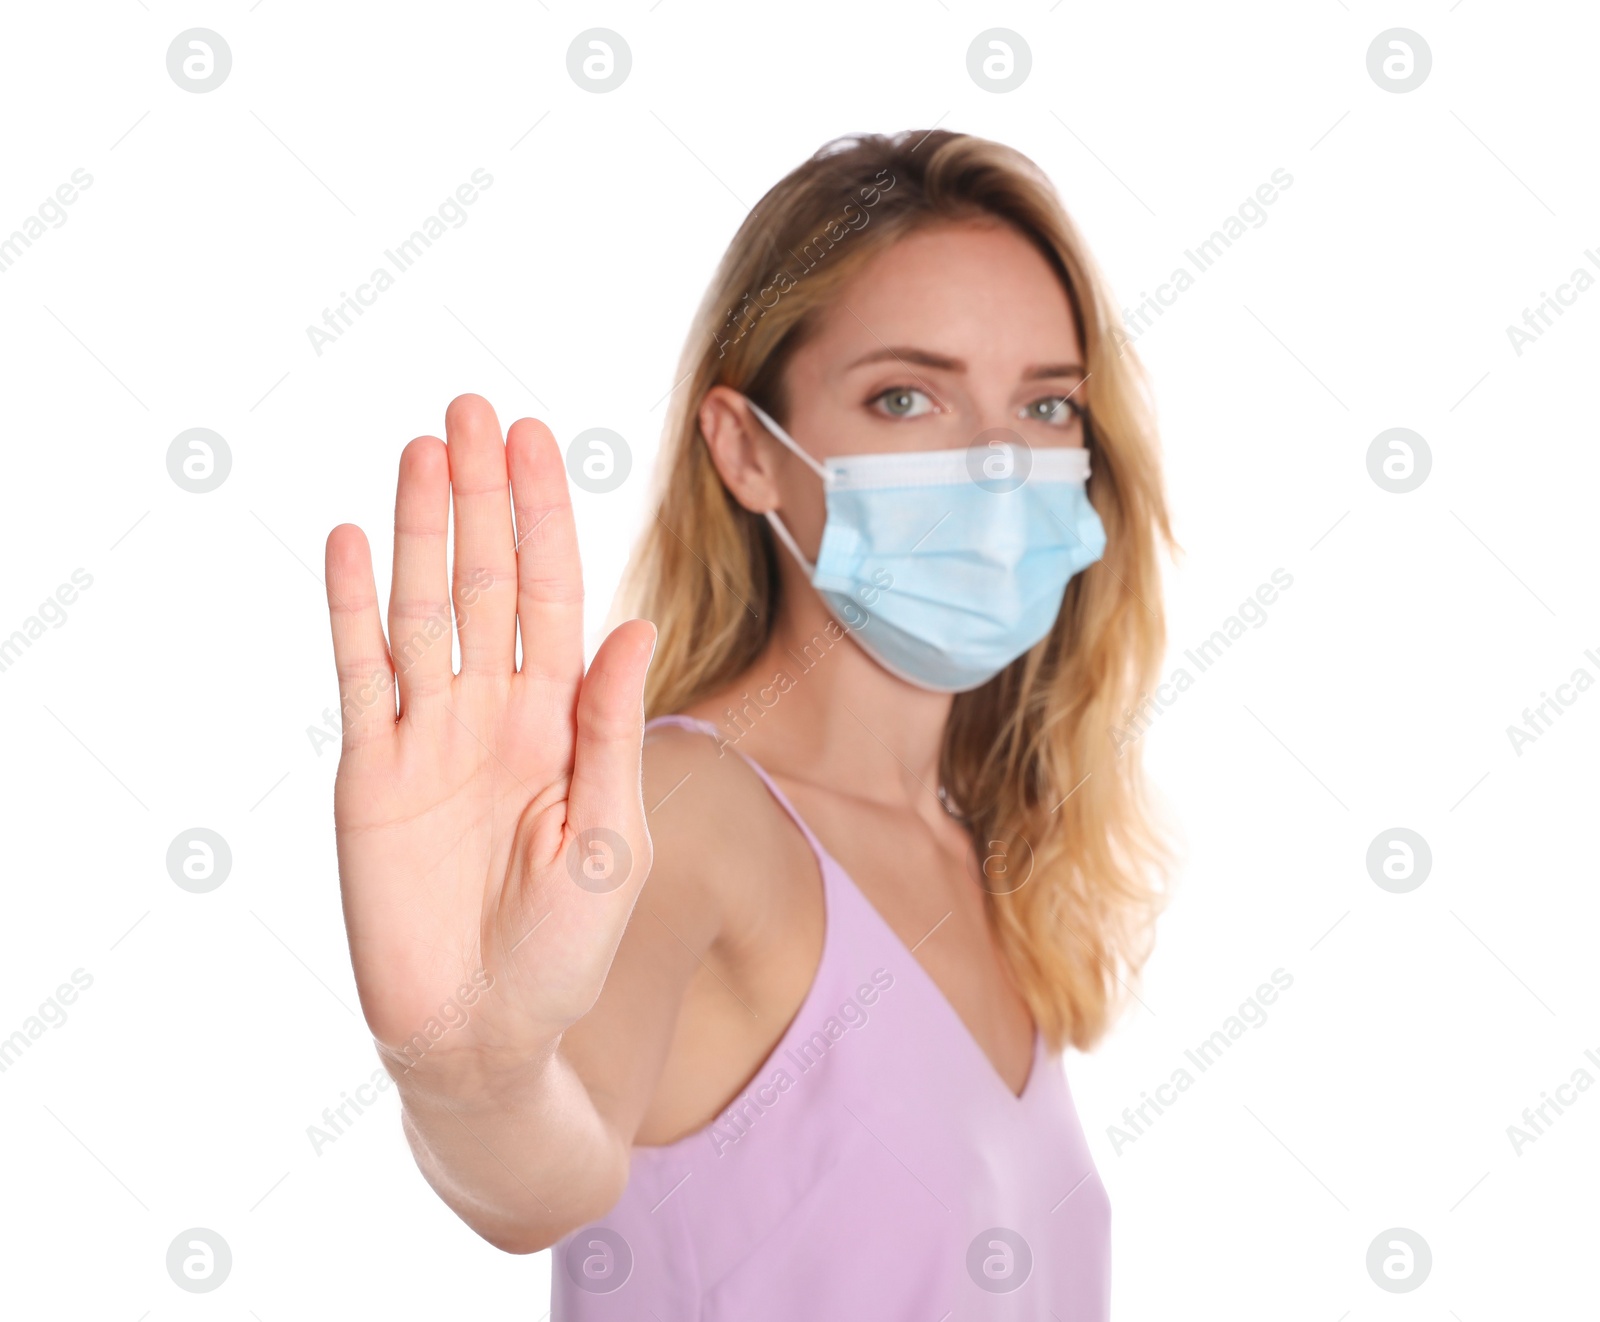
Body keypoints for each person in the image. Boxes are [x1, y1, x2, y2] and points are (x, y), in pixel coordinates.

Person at [322, 128, 1173, 1319]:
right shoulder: (687, 811)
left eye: (1043, 404)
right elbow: (547, 1176)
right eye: (905, 395)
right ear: (745, 450)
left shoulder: (979, 851)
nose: (994, 462)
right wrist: (478, 1075)